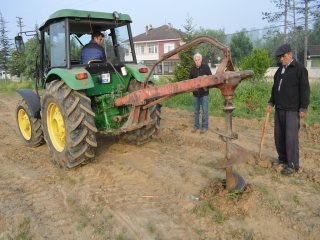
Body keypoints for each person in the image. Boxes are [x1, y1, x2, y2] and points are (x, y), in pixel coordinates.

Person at [267, 43, 310, 175]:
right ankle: (283, 158)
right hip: (279, 108)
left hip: (292, 110)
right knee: (279, 136)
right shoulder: (279, 71)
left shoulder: (299, 69)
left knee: (291, 138)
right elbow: (275, 89)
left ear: (290, 54)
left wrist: (303, 108)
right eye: (280, 57)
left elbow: (305, 90)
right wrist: (271, 102)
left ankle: (292, 164)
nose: (281, 59)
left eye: (284, 56)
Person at [189, 53, 212, 134]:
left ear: (201, 60)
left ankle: (205, 127)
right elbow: (190, 81)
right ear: (194, 61)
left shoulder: (206, 67)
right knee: (196, 111)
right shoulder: (192, 69)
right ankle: (196, 126)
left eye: (198, 60)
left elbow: (211, 78)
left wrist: (205, 77)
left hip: (204, 93)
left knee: (205, 111)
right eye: (196, 60)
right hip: (196, 94)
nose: (197, 61)